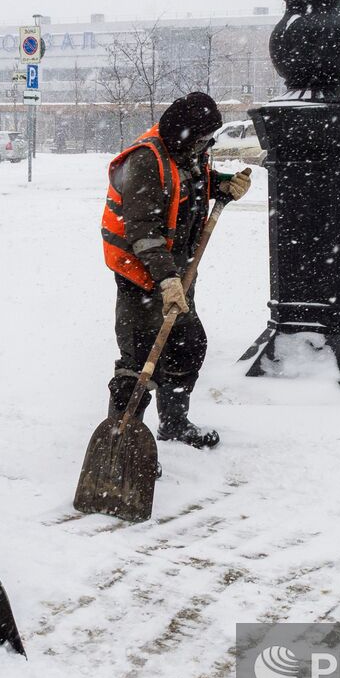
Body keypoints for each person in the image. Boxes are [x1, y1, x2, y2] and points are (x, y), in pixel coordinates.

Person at [100, 92, 252, 448]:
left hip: (178, 275)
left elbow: (191, 184)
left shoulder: (185, 152)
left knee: (187, 346)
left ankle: (174, 423)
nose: (207, 145)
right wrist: (166, 281)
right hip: (142, 277)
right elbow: (143, 231)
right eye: (203, 139)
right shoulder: (145, 161)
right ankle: (122, 444)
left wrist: (223, 184)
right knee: (137, 364)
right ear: (184, 135)